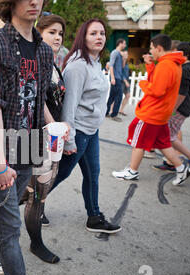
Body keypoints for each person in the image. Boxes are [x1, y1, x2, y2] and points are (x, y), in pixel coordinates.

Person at [0, 0, 54, 275]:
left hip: (30, 146)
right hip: (0, 150)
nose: (34, 1)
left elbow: (38, 99)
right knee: (10, 229)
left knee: (5, 208)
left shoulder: (44, 50)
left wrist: (55, 128)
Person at [46, 18, 121, 235]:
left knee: (92, 174)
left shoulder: (95, 62)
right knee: (58, 175)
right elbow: (69, 106)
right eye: (93, 33)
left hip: (91, 131)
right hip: (77, 132)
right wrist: (69, 141)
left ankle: (94, 217)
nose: (99, 37)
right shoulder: (78, 66)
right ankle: (31, 203)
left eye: (102, 33)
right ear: (83, 37)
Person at [112, 34, 190, 186]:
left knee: (139, 142)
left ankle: (132, 171)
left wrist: (142, 84)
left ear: (159, 48)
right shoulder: (173, 64)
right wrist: (150, 66)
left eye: (151, 48)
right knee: (163, 144)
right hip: (161, 113)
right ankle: (181, 168)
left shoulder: (165, 65)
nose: (150, 51)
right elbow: (159, 83)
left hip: (152, 113)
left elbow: (156, 90)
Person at [20, 12, 68, 264]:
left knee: (29, 195)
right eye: (52, 32)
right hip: (37, 137)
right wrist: (54, 125)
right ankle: (36, 244)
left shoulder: (52, 63)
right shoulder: (34, 61)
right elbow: (36, 100)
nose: (57, 37)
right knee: (36, 196)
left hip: (52, 138)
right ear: (39, 32)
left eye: (60, 33)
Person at [152, 42, 190, 173]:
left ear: (183, 53)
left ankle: (187, 160)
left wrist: (172, 110)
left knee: (168, 137)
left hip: (179, 109)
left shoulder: (186, 70)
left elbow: (181, 93)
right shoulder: (188, 68)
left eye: (175, 51)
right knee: (170, 136)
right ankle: (177, 161)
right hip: (181, 108)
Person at [106, 38, 126, 122]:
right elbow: (111, 65)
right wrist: (113, 78)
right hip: (116, 78)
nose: (125, 45)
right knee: (119, 96)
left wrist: (124, 58)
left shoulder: (120, 54)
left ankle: (106, 112)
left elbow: (122, 67)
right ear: (120, 43)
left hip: (119, 77)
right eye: (124, 43)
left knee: (112, 97)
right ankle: (114, 115)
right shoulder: (114, 52)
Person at [118, 50, 131, 116]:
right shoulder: (120, 63)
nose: (126, 55)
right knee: (117, 96)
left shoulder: (126, 63)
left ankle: (121, 110)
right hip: (122, 81)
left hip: (127, 81)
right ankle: (111, 110)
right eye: (125, 54)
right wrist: (125, 81)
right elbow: (120, 73)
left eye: (127, 54)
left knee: (128, 95)